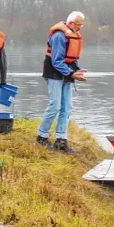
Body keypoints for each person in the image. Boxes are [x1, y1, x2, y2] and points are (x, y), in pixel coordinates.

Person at [36, 11, 87, 153]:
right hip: (54, 73)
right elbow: (56, 61)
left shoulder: (73, 35)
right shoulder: (59, 36)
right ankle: (41, 137)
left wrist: (76, 70)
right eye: (79, 25)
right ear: (71, 23)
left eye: (81, 25)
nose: (80, 28)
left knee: (67, 107)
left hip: (66, 74)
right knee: (55, 105)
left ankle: (61, 140)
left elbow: (72, 58)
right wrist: (72, 74)